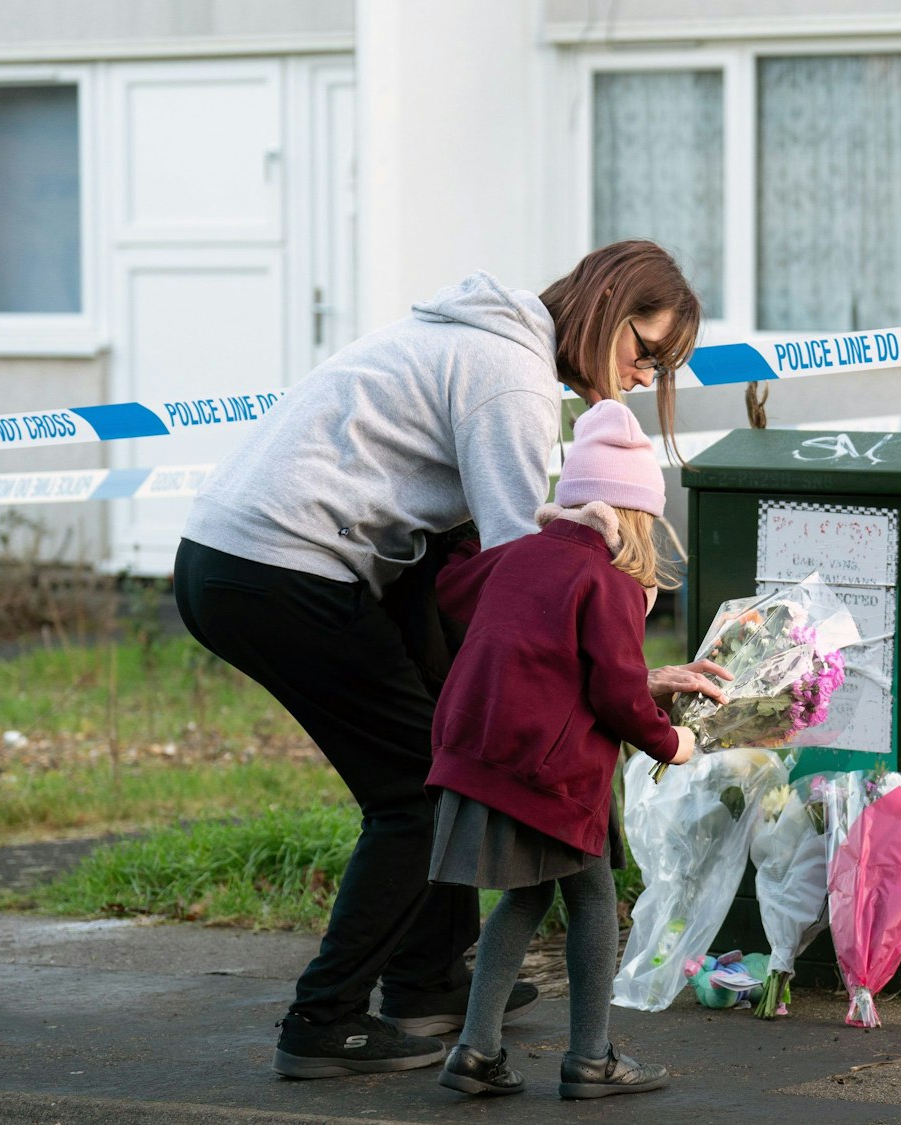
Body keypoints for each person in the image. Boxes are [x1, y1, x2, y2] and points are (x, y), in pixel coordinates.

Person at [172, 241, 731, 1079]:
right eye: (645, 350)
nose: (645, 374)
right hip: (279, 565)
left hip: (245, 557)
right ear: (609, 305)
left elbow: (475, 572)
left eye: (661, 365)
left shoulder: (487, 341)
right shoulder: (510, 380)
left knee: (438, 749)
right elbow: (523, 594)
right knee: (416, 791)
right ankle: (322, 1022)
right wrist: (626, 681)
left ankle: (430, 978)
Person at [426, 398, 689, 1100]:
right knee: (596, 897)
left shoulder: (520, 554)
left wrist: (460, 529)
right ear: (637, 513)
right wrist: (673, 741)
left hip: (481, 754)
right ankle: (591, 1058)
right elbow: (616, 694)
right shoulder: (605, 579)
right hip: (551, 772)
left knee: (525, 897)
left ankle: (477, 1051)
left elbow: (452, 585)